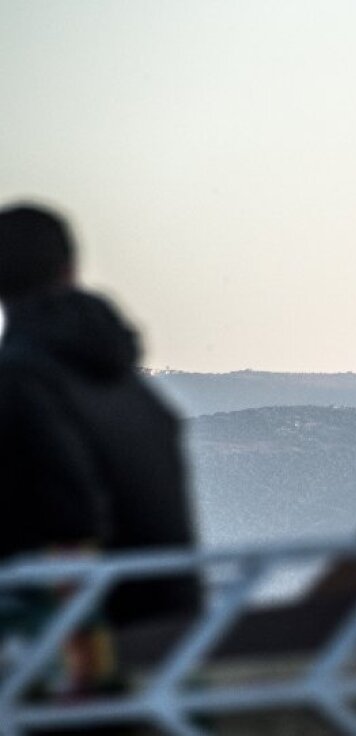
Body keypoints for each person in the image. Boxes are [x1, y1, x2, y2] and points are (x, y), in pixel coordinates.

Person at [0, 202, 201, 635]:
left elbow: (68, 518)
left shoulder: (19, 381)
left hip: (95, 635)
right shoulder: (127, 383)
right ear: (71, 268)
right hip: (176, 621)